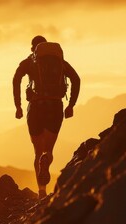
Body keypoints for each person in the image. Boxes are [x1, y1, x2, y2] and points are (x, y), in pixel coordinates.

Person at [12, 35, 80, 199]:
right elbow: (76, 79)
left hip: (35, 107)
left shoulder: (29, 62)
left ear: (33, 49)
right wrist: (71, 105)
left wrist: (18, 106)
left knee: (37, 152)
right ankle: (46, 159)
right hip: (55, 106)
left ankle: (41, 191)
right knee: (48, 150)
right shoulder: (60, 62)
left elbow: (16, 79)